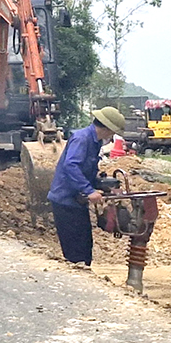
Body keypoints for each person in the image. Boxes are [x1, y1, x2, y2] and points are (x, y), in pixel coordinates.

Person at [46, 106, 127, 265]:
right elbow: (71, 166)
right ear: (107, 128)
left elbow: (86, 168)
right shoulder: (82, 138)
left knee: (85, 246)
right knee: (75, 251)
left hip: (76, 201)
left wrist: (101, 183)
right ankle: (75, 282)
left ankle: (83, 273)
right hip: (65, 201)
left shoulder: (94, 142)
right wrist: (89, 191)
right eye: (112, 131)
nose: (112, 135)